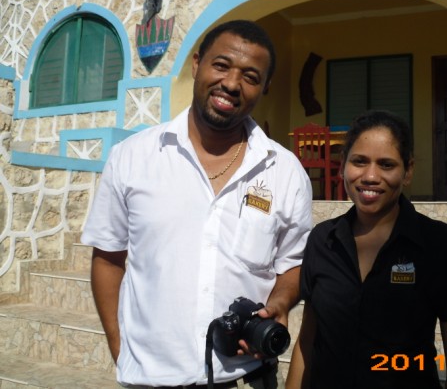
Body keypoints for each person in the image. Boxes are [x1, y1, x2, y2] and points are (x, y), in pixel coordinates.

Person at [81, 20, 313, 388]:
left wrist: (281, 302)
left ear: (265, 87)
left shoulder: (286, 172)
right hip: (152, 379)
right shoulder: (132, 157)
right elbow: (108, 258)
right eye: (221, 65)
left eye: (250, 77)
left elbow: (294, 263)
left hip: (246, 377)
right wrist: (119, 348)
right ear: (196, 64)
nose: (232, 84)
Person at [286, 110, 447, 389]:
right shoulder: (322, 241)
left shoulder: (440, 244)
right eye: (359, 161)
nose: (370, 176)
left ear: (408, 171)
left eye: (386, 164)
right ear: (343, 165)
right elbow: (308, 342)